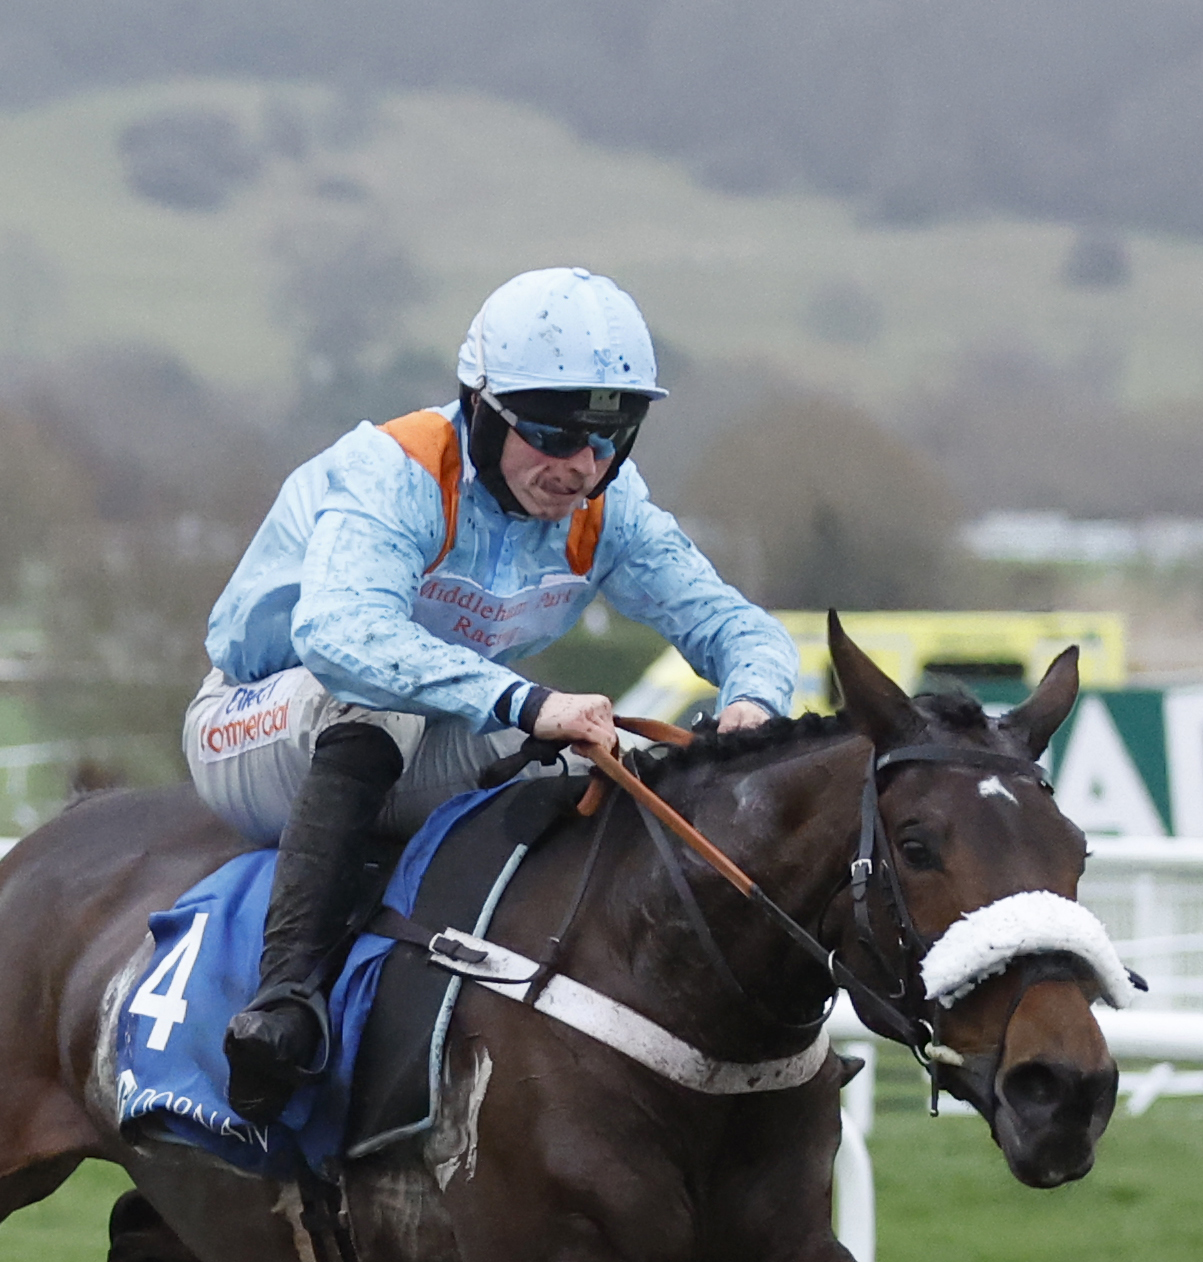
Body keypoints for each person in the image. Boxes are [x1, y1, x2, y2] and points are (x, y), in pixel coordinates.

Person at [187, 264, 801, 1119]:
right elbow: (341, 638)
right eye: (552, 434)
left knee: (593, 748)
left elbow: (746, 630)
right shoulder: (395, 470)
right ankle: (283, 1001)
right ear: (479, 407)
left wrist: (753, 707)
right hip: (258, 724)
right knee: (395, 701)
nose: (580, 467)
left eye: (610, 437)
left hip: (414, 736)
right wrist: (525, 701)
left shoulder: (609, 507)